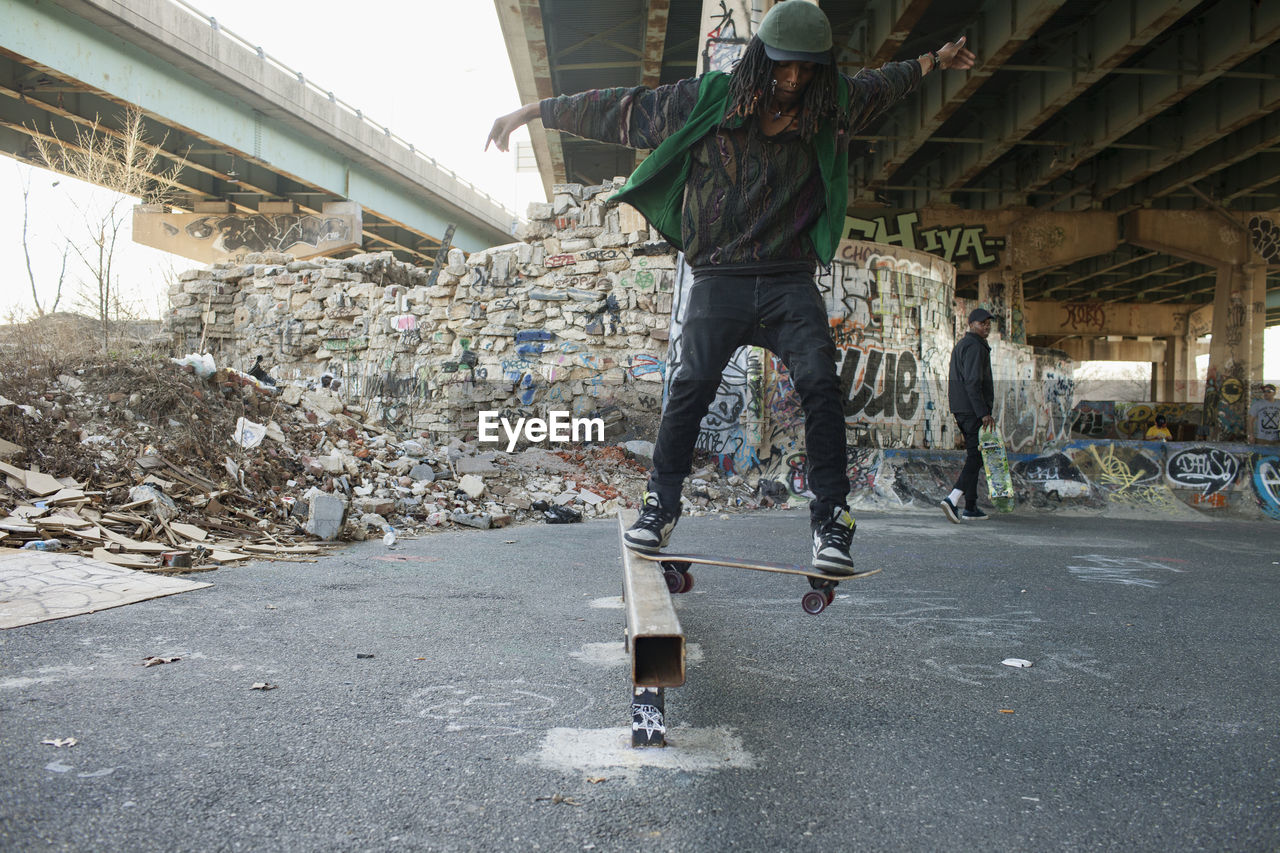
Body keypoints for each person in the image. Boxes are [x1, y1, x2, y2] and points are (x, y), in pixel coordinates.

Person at [488, 2, 974, 573]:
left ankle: (831, 520)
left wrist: (934, 60)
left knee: (821, 384)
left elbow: (885, 82)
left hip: (789, 279)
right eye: (783, 67)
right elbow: (625, 109)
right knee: (690, 384)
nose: (792, 81)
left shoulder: (833, 103)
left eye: (806, 70)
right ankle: (660, 506)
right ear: (760, 59)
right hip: (719, 276)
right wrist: (532, 111)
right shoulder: (711, 98)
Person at [940, 308, 995, 523]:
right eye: (982, 323)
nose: (986, 326)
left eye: (989, 323)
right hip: (972, 410)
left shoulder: (963, 345)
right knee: (978, 455)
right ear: (971, 324)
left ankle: (970, 506)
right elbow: (973, 382)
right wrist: (983, 413)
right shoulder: (975, 346)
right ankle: (953, 499)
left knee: (974, 452)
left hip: (962, 408)